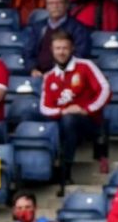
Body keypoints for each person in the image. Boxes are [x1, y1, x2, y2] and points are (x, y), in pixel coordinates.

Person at [38, 31, 111, 178]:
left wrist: (87, 109)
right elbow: (44, 108)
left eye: (65, 48)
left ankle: (65, 171)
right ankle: (49, 167)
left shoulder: (85, 66)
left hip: (90, 121)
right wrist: (63, 111)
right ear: (52, 50)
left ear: (72, 49)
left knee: (69, 120)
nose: (61, 52)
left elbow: (105, 89)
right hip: (65, 121)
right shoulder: (50, 76)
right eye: (58, 48)